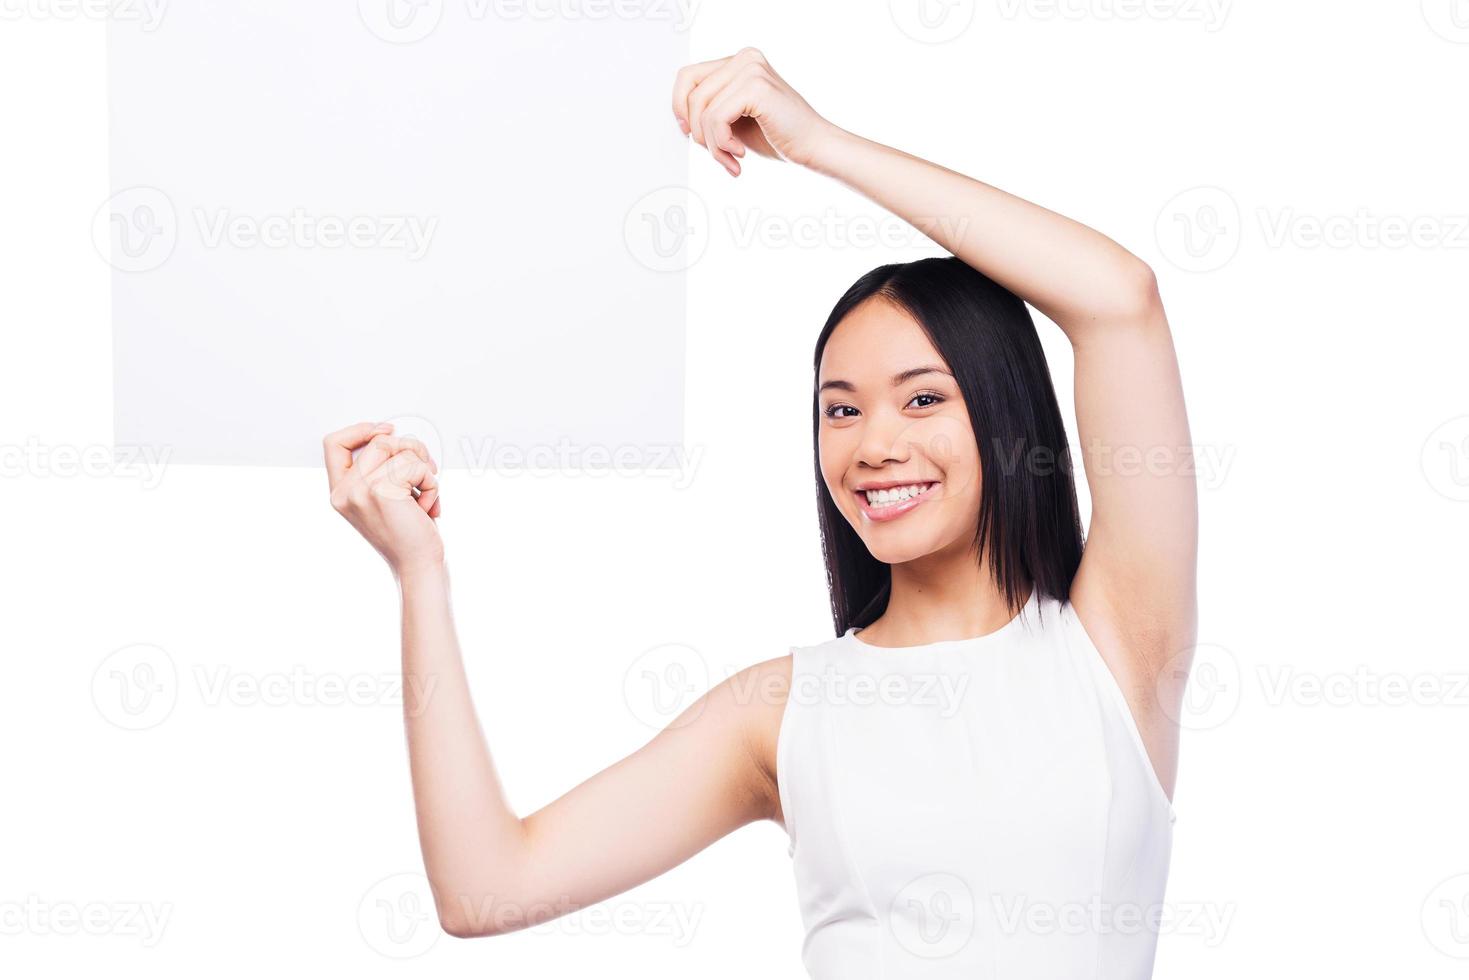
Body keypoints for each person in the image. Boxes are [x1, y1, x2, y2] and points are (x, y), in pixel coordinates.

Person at [322, 47, 1197, 979]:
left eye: (924, 399)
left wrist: (818, 145)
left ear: (1003, 413)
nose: (873, 445)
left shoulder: (1111, 646)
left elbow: (1119, 298)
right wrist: (418, 574)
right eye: (840, 408)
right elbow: (482, 885)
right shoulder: (781, 711)